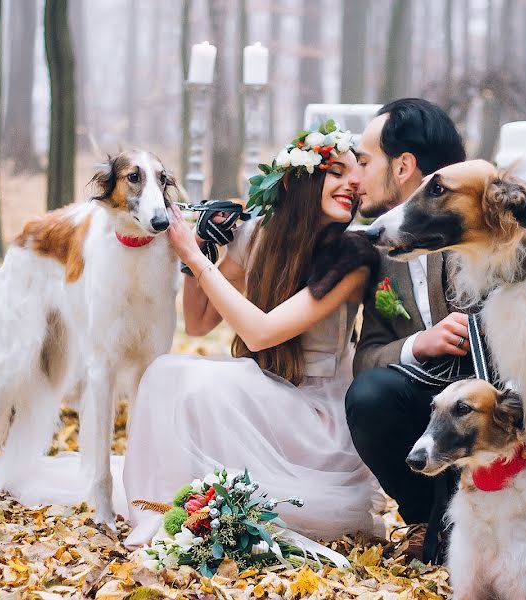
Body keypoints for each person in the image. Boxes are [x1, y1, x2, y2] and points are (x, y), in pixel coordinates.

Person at [123, 123, 383, 547]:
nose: (351, 185)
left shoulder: (353, 257)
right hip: (267, 395)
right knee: (166, 372)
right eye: (336, 172)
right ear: (303, 178)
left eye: (355, 176)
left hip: (318, 419)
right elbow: (200, 322)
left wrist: (190, 254)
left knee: (204, 384)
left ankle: (191, 513)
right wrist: (203, 251)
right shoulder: (259, 233)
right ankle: (171, 511)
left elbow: (261, 334)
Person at [344, 98, 470, 561]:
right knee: (369, 396)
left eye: (363, 161)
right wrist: (420, 342)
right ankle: (422, 521)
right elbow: (367, 353)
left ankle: (453, 530)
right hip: (419, 401)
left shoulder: (469, 232)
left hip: (490, 408)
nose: (355, 177)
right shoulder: (375, 247)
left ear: (403, 166)